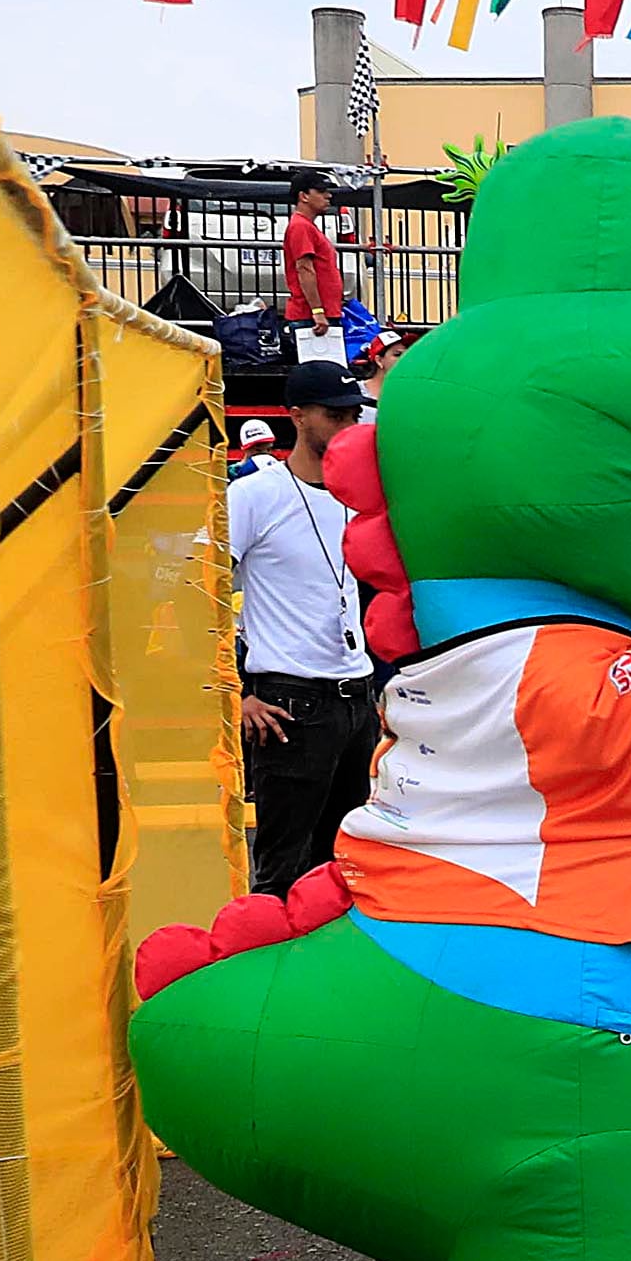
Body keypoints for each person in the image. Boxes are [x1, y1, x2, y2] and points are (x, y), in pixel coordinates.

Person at [228, 363, 379, 893]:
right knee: (282, 871)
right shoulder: (256, 494)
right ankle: (268, 967)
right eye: (333, 415)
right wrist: (238, 692)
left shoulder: (360, 496)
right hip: (289, 701)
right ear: (296, 417)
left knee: (344, 869)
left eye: (352, 415)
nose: (346, 425)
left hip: (355, 696)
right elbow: (192, 590)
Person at [279, 175, 347, 350]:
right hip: (310, 318)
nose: (328, 196)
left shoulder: (306, 226)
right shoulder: (301, 226)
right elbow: (304, 269)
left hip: (318, 316)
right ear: (304, 196)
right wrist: (318, 311)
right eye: (321, 191)